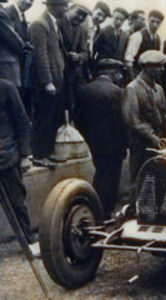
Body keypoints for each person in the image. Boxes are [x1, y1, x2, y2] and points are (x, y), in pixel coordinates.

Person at [75, 59, 127, 218]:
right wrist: (124, 144)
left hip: (94, 143)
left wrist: (89, 136)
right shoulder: (117, 92)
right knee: (111, 179)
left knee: (100, 173)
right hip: (114, 144)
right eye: (117, 72)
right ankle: (104, 212)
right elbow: (121, 121)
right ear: (111, 73)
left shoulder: (85, 91)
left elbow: (78, 119)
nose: (119, 76)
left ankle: (95, 208)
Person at [122, 50, 166, 183]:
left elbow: (165, 114)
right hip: (141, 146)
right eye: (159, 66)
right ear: (148, 68)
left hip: (159, 145)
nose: (162, 69)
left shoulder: (159, 89)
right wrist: (152, 137)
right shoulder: (132, 89)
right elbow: (132, 120)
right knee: (140, 182)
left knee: (160, 181)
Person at [0, 78, 38, 254]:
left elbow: (22, 122)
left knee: (17, 203)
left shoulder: (6, 89)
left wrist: (25, 155)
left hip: (6, 158)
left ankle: (29, 241)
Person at [29, 0, 68, 168]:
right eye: (63, 5)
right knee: (43, 117)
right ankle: (38, 154)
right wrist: (47, 82)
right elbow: (41, 56)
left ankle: (47, 152)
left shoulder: (53, 23)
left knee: (52, 117)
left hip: (56, 80)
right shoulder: (39, 24)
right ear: (53, 6)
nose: (66, 9)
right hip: (45, 83)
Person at [58, 4, 90, 119]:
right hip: (57, 73)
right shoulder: (58, 22)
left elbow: (85, 53)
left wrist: (78, 56)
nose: (80, 18)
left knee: (70, 107)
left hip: (71, 75)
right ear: (70, 9)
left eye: (83, 16)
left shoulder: (81, 30)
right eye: (78, 13)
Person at [4, 0, 34, 117]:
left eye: (32, 0)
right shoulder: (6, 12)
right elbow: (12, 38)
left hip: (20, 66)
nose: (28, 2)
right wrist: (25, 46)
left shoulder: (23, 17)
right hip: (8, 66)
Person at [124, 10, 165, 75]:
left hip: (150, 76)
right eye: (152, 21)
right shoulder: (138, 36)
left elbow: (159, 60)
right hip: (136, 74)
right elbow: (128, 60)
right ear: (148, 20)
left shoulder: (160, 40)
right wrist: (132, 78)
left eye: (158, 22)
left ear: (161, 23)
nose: (155, 25)